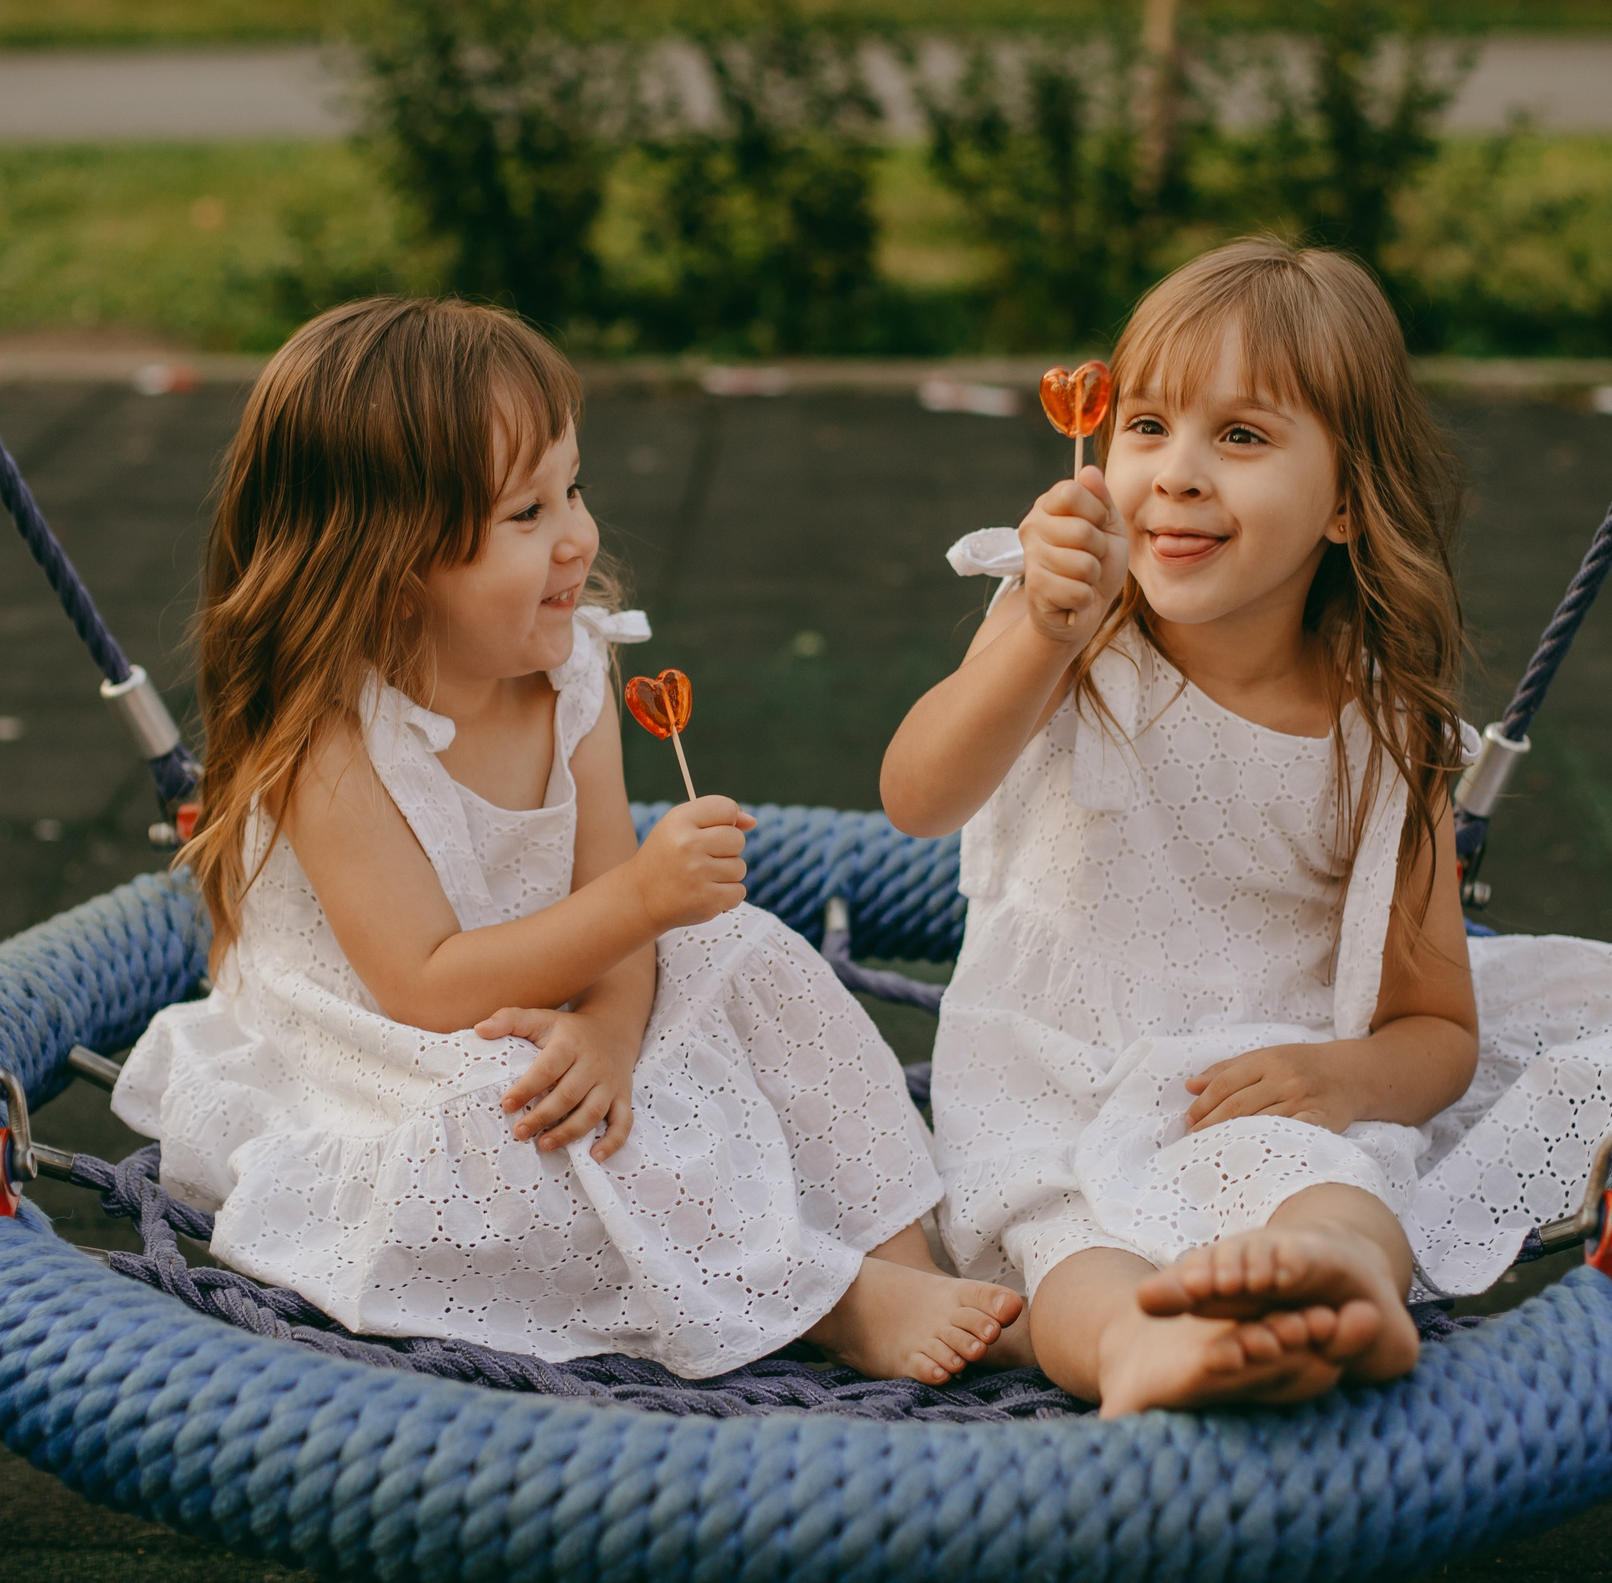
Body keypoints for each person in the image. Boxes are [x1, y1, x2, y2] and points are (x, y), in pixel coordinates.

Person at [882, 238, 1612, 1416]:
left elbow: (1435, 1028)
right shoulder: (1067, 638)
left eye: (1239, 436)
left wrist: (1339, 1077)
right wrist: (1037, 634)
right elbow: (918, 795)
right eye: (1147, 426)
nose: (1173, 474)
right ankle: (1138, 1350)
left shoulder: (1382, 732)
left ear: (1343, 503)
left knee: (1326, 1183)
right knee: (1058, 1249)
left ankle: (1346, 1284)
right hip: (1048, 1076)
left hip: (1255, 1078)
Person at [114, 297, 1021, 1384]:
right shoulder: (335, 740)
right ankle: (821, 1297)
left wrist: (609, 1021)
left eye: (572, 488)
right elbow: (427, 986)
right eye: (526, 514)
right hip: (384, 1047)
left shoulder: (571, 672)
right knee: (511, 1132)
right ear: (390, 562)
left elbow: (607, 896)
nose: (578, 537)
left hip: (558, 985)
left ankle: (899, 1253)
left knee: (748, 953)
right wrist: (634, 913)